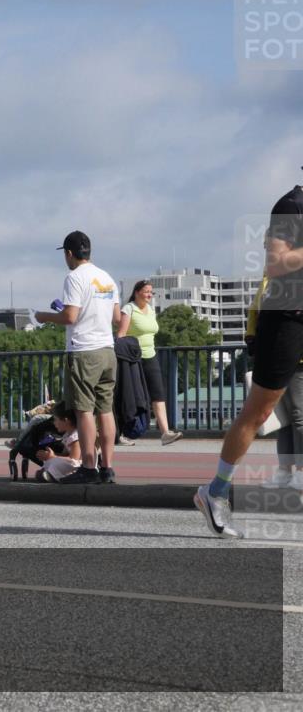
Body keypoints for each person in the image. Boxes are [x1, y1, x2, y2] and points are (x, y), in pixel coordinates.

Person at [195, 183, 303, 538]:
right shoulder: (291, 205)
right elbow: (275, 263)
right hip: (286, 318)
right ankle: (215, 492)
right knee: (258, 413)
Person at [35, 231, 120, 484]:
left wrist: (44, 316)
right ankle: (108, 467)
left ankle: (88, 467)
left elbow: (71, 317)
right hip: (107, 350)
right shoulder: (106, 278)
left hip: (84, 351)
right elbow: (116, 318)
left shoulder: (74, 277)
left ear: (69, 253)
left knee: (84, 411)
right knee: (105, 410)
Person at [250, 276, 303, 492]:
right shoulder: (269, 280)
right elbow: (255, 311)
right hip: (276, 357)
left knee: (299, 415)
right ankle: (284, 469)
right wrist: (251, 337)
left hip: (298, 359)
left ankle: (300, 471)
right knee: (282, 419)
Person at [116, 280, 182, 446]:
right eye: (146, 291)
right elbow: (121, 335)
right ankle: (123, 433)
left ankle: (165, 432)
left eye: (151, 292)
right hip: (133, 359)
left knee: (158, 394)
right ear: (137, 292)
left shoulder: (151, 310)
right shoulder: (129, 308)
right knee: (132, 397)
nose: (149, 295)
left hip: (150, 356)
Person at [35, 402, 83, 482]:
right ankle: (49, 473)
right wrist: (50, 456)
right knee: (51, 461)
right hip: (71, 463)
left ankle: (55, 475)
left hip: (77, 466)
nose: (54, 423)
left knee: (55, 461)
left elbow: (74, 460)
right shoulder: (67, 435)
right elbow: (65, 454)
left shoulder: (75, 437)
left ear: (66, 420)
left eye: (56, 420)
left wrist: (53, 457)